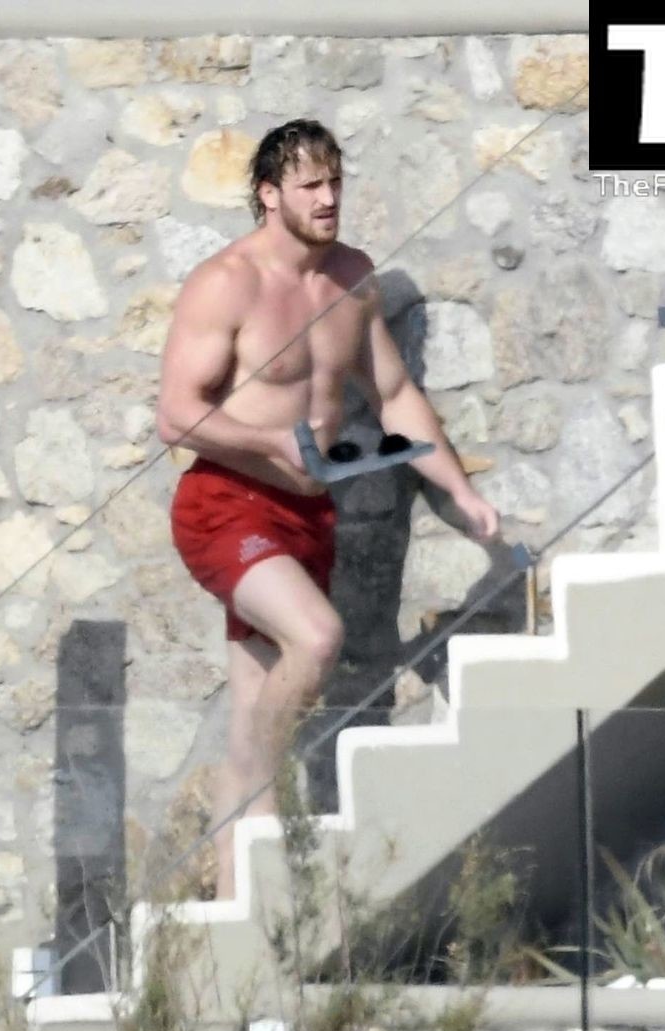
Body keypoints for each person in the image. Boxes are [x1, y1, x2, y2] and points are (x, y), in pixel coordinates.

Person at [158, 118, 500, 902]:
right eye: (309, 185)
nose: (327, 198)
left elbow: (394, 393)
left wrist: (460, 491)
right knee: (318, 636)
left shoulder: (352, 277)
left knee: (257, 700)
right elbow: (176, 415)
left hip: (309, 517)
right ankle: (253, 774)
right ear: (268, 194)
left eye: (335, 182)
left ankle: (237, 907)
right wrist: (267, 441)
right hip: (226, 503)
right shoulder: (227, 283)